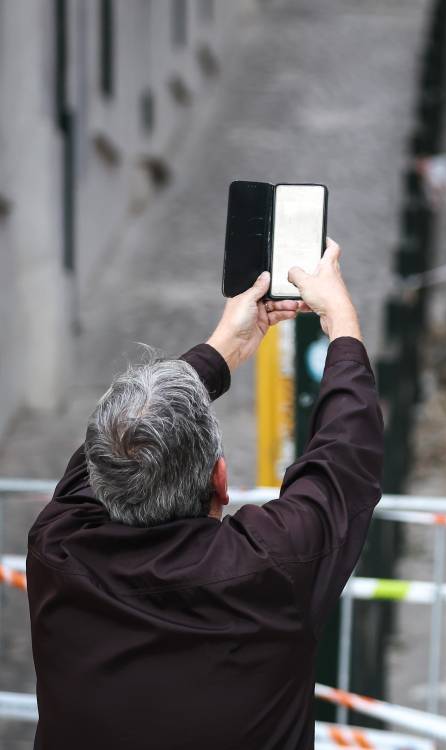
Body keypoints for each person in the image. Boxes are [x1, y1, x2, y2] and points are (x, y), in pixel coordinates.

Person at [26, 239, 383, 749]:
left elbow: (117, 440)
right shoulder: (269, 568)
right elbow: (345, 458)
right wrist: (341, 323)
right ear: (220, 481)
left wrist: (223, 347)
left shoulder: (57, 545)